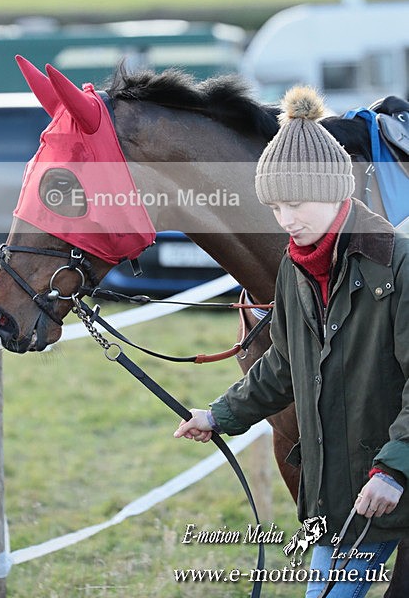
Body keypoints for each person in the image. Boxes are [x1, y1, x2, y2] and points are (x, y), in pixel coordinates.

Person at [174, 85, 409, 597]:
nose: (286, 220)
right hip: (340, 495)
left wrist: (393, 470)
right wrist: (220, 416)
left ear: (335, 192)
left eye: (296, 204)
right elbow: (284, 362)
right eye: (275, 207)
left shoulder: (400, 264)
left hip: (391, 483)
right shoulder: (295, 270)